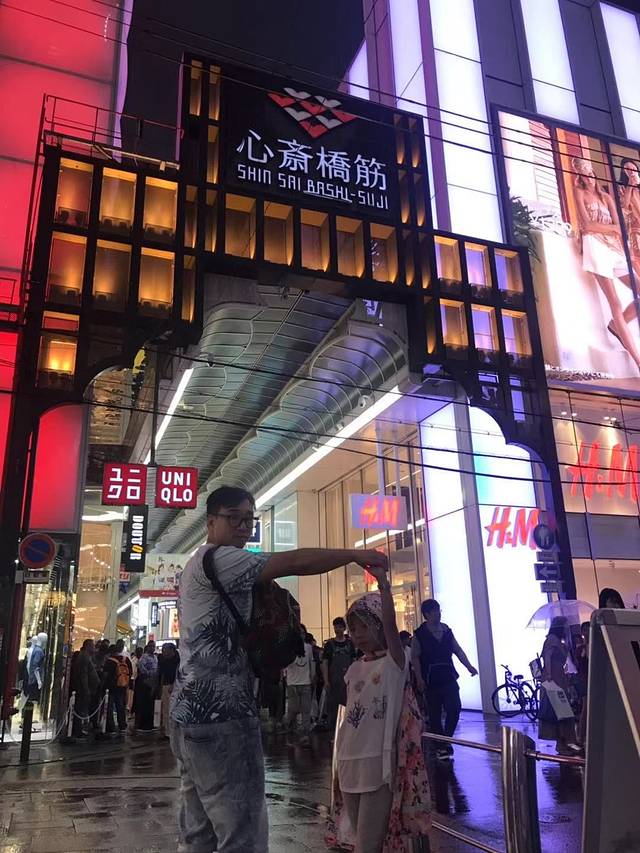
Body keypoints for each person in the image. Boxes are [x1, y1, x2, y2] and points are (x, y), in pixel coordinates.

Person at [169, 485, 387, 853]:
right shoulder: (221, 558)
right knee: (243, 836)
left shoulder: (196, 563)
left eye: (248, 520)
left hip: (188, 715)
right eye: (233, 518)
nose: (243, 527)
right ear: (210, 521)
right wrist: (354, 554)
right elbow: (295, 562)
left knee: (199, 835)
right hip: (222, 716)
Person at [333, 565, 431, 852]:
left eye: (364, 626)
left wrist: (384, 585)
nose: (357, 634)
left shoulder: (394, 664)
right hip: (348, 764)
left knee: (368, 846)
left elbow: (391, 626)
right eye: (353, 628)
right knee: (359, 843)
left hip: (379, 767)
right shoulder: (353, 669)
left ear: (378, 625)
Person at [572, 156, 640, 372]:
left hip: (614, 247)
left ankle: (616, 326)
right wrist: (611, 228)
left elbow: (619, 226)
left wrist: (610, 229)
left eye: (591, 174)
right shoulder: (579, 193)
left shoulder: (606, 197)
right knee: (615, 303)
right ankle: (638, 361)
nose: (589, 178)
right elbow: (587, 225)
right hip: (595, 246)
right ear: (579, 177)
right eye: (584, 175)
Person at [412, 599, 477, 761]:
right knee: (434, 714)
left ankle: (445, 740)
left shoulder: (447, 631)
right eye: (434, 611)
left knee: (454, 708)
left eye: (439, 610)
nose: (438, 613)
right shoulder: (420, 634)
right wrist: (419, 678)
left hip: (448, 676)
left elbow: (458, 650)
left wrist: (469, 666)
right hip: (430, 679)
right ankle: (441, 745)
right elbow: (415, 657)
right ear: (426, 614)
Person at [538, 617, 580, 756]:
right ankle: (562, 744)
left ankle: (566, 742)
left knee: (563, 711)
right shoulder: (552, 640)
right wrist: (550, 675)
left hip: (559, 677)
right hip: (554, 679)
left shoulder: (558, 641)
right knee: (559, 711)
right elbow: (547, 657)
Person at [322, 617, 357, 733]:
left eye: (339, 627)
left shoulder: (350, 644)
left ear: (344, 628)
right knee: (332, 706)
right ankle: (332, 731)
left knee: (348, 704)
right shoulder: (329, 644)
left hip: (348, 680)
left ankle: (347, 730)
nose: (337, 629)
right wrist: (326, 680)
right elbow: (325, 663)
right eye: (335, 627)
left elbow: (354, 662)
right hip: (333, 680)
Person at [283, 625, 314, 746]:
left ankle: (305, 735)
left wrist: (313, 675)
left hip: (305, 682)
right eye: (299, 633)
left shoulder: (308, 648)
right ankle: (289, 727)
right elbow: (285, 664)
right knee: (293, 709)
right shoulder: (288, 648)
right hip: (292, 683)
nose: (301, 635)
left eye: (302, 633)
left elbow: (311, 662)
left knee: (306, 709)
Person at [70, 639, 100, 738]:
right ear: (88, 646)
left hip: (86, 687)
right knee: (79, 709)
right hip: (82, 688)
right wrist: (86, 689)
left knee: (81, 709)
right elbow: (84, 675)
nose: (94, 648)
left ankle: (78, 729)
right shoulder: (84, 657)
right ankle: (77, 730)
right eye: (92, 646)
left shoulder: (86, 656)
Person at [102, 640, 132, 733]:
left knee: (109, 707)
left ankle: (111, 727)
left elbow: (105, 674)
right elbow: (130, 673)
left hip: (110, 687)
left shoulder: (109, 661)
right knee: (121, 706)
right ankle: (122, 725)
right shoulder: (126, 659)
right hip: (122, 686)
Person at [618, 157, 640, 275]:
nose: (631, 170)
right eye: (627, 169)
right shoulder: (622, 188)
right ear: (624, 172)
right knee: (636, 257)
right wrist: (630, 186)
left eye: (632, 167)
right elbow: (625, 205)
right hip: (635, 227)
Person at [135, 641, 158, 731]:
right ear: (147, 647)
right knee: (144, 704)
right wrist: (148, 674)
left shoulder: (155, 658)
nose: (152, 648)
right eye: (150, 646)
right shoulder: (144, 657)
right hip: (145, 682)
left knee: (150, 704)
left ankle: (149, 723)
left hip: (153, 682)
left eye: (153, 646)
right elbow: (141, 667)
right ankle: (142, 724)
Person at [158, 642, 180, 738]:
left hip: (174, 687)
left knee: (173, 709)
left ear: (171, 650)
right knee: (166, 709)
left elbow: (179, 674)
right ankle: (167, 731)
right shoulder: (164, 660)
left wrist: (174, 684)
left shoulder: (178, 660)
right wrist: (160, 687)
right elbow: (162, 675)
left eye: (165, 650)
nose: (163, 652)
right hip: (166, 686)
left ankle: (172, 731)